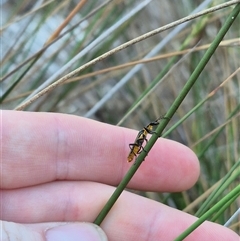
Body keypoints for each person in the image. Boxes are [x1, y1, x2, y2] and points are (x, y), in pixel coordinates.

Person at [1, 110, 238, 241]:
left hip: (135, 149)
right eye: (153, 127)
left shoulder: (144, 134)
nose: (152, 129)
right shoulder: (141, 139)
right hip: (134, 151)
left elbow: (146, 133)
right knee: (139, 149)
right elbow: (142, 139)